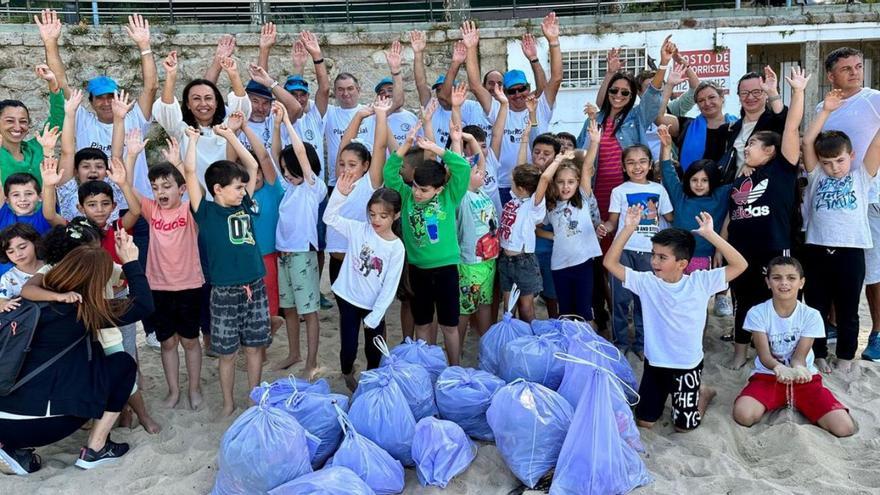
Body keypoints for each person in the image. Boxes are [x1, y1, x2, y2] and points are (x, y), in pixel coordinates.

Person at [0, 232, 153, 475]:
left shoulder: (22, 302)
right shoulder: (82, 310)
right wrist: (131, 261)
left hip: (4, 419)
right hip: (40, 425)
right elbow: (144, 305)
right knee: (122, 363)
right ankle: (96, 448)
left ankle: (13, 449)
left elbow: (31, 287)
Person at [604, 209, 747, 432]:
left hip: (687, 366)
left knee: (683, 427)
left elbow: (740, 265)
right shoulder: (647, 282)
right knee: (645, 421)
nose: (654, 261)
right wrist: (628, 228)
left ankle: (704, 393)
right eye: (653, 254)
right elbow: (610, 263)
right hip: (655, 365)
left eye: (662, 257)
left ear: (682, 263)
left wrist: (710, 235)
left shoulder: (700, 282)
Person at [184, 118, 269, 418]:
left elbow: (253, 167)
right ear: (217, 189)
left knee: (255, 346)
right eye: (237, 188)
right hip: (224, 290)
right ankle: (228, 403)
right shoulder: (205, 211)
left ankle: (254, 397)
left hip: (255, 285)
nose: (243, 191)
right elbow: (190, 171)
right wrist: (192, 141)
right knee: (227, 352)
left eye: (244, 187)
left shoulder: (244, 204)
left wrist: (231, 136)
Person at [119, 127, 206, 409]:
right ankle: (173, 390)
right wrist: (131, 156)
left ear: (180, 189)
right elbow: (126, 187)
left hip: (190, 284)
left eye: (166, 186)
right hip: (158, 286)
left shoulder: (189, 210)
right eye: (155, 187)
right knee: (168, 343)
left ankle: (194, 388)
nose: (160, 192)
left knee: (191, 342)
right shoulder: (151, 210)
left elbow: (196, 188)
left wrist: (179, 163)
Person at [722, 70, 803, 369]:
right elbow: (732, 218)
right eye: (747, 143)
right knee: (743, 300)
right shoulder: (740, 180)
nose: (747, 147)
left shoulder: (782, 169)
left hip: (773, 248)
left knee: (779, 299)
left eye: (753, 144)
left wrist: (795, 91)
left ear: (769, 150)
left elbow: (792, 127)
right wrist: (722, 244)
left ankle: (783, 351)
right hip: (742, 251)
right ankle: (740, 351)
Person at [801, 86, 880, 373]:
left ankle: (846, 357)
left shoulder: (862, 176)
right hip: (817, 250)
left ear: (852, 155)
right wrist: (827, 110)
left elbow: (877, 144)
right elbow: (808, 140)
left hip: (851, 251)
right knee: (817, 306)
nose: (834, 167)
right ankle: (819, 353)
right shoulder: (816, 175)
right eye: (828, 162)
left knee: (848, 309)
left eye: (840, 161)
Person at [732, 256, 855, 437]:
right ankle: (775, 399)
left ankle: (802, 400)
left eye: (791, 278)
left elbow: (800, 356)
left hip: (803, 379)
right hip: (768, 376)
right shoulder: (757, 313)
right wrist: (778, 367)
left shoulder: (811, 315)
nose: (784, 283)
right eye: (777, 278)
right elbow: (764, 356)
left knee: (844, 428)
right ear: (768, 282)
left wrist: (798, 368)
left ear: (801, 283)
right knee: (743, 415)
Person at [383, 131, 470, 365]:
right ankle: (428, 365)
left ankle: (454, 367)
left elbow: (462, 167)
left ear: (438, 189)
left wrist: (438, 149)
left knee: (449, 325)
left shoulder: (449, 196)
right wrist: (406, 144)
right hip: (418, 270)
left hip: (446, 269)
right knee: (422, 323)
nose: (417, 193)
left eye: (424, 190)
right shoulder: (406, 196)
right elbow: (389, 173)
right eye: (416, 187)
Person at [463, 13, 563, 206]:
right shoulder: (500, 109)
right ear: (505, 93)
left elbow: (556, 78)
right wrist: (470, 48)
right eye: (512, 91)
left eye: (522, 89)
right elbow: (475, 85)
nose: (518, 94)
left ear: (528, 87)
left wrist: (553, 41)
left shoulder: (540, 105)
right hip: (503, 185)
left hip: (537, 181)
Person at [324, 174, 405, 392]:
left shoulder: (396, 247)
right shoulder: (359, 229)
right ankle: (347, 372)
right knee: (348, 346)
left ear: (395, 215)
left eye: (383, 215)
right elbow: (329, 218)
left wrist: (377, 314)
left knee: (374, 348)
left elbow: (390, 285)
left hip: (373, 305)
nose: (376, 220)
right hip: (348, 298)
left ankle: (372, 379)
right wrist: (340, 195)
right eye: (372, 214)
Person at [597, 144, 674, 358]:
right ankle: (620, 342)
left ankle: (642, 344)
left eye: (642, 161)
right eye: (630, 162)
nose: (636, 166)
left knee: (645, 300)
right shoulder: (619, 191)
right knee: (620, 300)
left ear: (650, 165)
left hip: (651, 254)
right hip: (623, 251)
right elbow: (613, 222)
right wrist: (604, 227)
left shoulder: (659, 190)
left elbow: (670, 217)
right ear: (623, 166)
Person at [270, 107, 327, 379]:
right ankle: (294, 353)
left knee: (309, 311)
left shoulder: (312, 186)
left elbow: (300, 154)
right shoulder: (290, 188)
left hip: (302, 254)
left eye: (289, 170)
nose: (287, 174)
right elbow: (275, 152)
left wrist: (289, 126)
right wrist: (277, 125)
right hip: (284, 254)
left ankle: (312, 360)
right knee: (290, 308)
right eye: (284, 171)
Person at [153, 50, 251, 195]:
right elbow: (166, 110)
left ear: (217, 102)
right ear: (187, 104)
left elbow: (242, 110)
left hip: (226, 199)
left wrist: (233, 74)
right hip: (192, 199)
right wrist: (171, 75)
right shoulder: (182, 130)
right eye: (196, 99)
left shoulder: (227, 126)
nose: (203, 104)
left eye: (208, 98)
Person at [498, 152, 568, 323]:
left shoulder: (533, 206)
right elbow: (520, 169)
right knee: (508, 308)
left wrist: (558, 159)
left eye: (513, 182)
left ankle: (530, 340)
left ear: (521, 188)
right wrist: (523, 139)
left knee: (526, 307)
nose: (510, 184)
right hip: (505, 260)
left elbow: (543, 179)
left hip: (524, 262)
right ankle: (513, 340)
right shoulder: (514, 200)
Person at [545, 120, 602, 320]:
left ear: (578, 182)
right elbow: (536, 228)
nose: (566, 187)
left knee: (585, 311)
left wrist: (594, 142)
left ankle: (586, 347)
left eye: (571, 182)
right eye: (560, 182)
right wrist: (554, 235)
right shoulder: (550, 206)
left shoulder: (583, 200)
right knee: (566, 312)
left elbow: (586, 167)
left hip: (583, 264)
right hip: (559, 266)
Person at [657, 125, 732, 274]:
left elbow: (741, 181)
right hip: (676, 258)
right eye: (694, 180)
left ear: (713, 181)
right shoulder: (680, 196)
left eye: (704, 180)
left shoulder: (721, 195)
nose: (699, 184)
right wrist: (666, 147)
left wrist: (747, 166)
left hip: (705, 259)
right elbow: (668, 172)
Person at [0, 65, 64, 188]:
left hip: (44, 208)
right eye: (10, 121)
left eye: (23, 121)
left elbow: (58, 121)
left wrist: (53, 83)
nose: (18, 127)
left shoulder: (37, 147)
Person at [725, 67, 787, 174]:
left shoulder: (774, 123)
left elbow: (783, 118)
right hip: (735, 188)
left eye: (757, 92)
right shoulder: (731, 128)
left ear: (766, 93)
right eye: (744, 93)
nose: (750, 97)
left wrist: (772, 91)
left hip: (766, 186)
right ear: (739, 96)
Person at [0, 223, 45, 312]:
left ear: (35, 243)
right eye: (10, 252)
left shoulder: (51, 266)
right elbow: (2, 300)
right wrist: (4, 304)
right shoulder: (8, 278)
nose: (18, 254)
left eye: (22, 247)